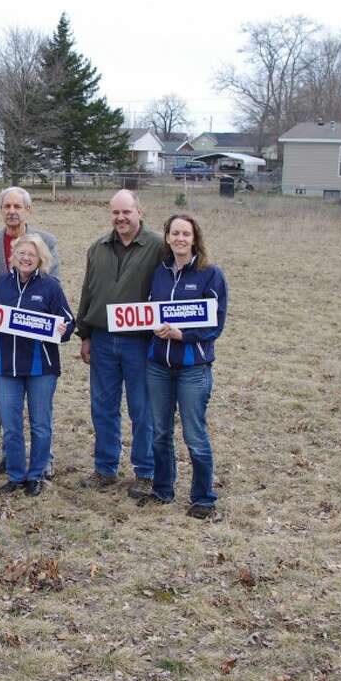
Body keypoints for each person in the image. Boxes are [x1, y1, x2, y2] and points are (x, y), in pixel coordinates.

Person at [75, 189, 162, 491]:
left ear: (139, 211)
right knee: (103, 407)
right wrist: (84, 333)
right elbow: (88, 291)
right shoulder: (97, 247)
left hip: (139, 342)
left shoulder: (157, 247)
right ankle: (105, 468)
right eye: (115, 212)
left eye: (127, 212)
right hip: (102, 339)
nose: (121, 218)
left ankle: (146, 471)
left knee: (142, 408)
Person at [144, 213, 228, 518]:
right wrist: (152, 327)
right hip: (158, 366)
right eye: (175, 233)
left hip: (193, 368)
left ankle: (203, 498)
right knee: (160, 432)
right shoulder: (160, 273)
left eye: (186, 234)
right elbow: (150, 311)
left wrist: (184, 335)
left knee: (194, 434)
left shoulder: (210, 274)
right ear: (167, 237)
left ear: (195, 239)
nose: (180, 239)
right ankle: (162, 489)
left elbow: (216, 323)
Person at [0, 186, 60, 473]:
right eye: (6, 206)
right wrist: (2, 311)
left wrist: (27, 315)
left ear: (27, 210)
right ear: (1, 210)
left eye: (17, 206)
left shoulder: (47, 241)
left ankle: (43, 462)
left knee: (39, 409)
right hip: (1, 338)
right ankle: (12, 457)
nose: (12, 211)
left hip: (36, 345)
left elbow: (53, 287)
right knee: (5, 402)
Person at [0, 234, 75, 497]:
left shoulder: (50, 287)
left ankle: (36, 475)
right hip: (8, 366)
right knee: (12, 423)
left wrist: (63, 328)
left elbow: (70, 321)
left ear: (40, 259)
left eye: (32, 255)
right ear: (13, 257)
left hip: (41, 368)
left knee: (40, 424)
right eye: (21, 254)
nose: (26, 258)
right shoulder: (3, 284)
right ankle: (16, 475)